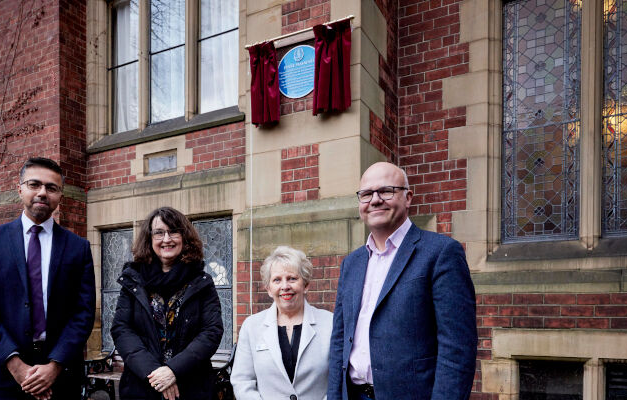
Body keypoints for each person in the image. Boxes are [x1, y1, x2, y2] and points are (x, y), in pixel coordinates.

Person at [328, 162, 477, 400]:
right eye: (366, 194)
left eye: (386, 191)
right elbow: (339, 341)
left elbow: (457, 349)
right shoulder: (351, 264)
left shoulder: (440, 253)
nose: (375, 200)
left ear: (408, 198)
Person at [0, 157, 95, 399]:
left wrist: (55, 365)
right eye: (34, 184)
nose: (43, 193)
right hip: (2, 377)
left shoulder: (78, 248)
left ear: (60, 195)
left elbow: (83, 313)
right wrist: (16, 365)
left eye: (52, 187)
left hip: (61, 379)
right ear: (20, 189)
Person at [111, 206, 223, 400]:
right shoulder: (133, 280)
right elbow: (122, 329)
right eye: (159, 233)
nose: (166, 239)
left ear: (184, 237)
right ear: (149, 238)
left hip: (191, 386)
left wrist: (173, 370)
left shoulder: (201, 281)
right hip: (142, 384)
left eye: (173, 232)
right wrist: (156, 374)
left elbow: (211, 331)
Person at [232, 246, 332, 400]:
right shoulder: (251, 326)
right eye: (277, 280)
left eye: (292, 278)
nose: (285, 286)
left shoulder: (330, 323)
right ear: (269, 289)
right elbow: (242, 382)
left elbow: (338, 380)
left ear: (305, 285)